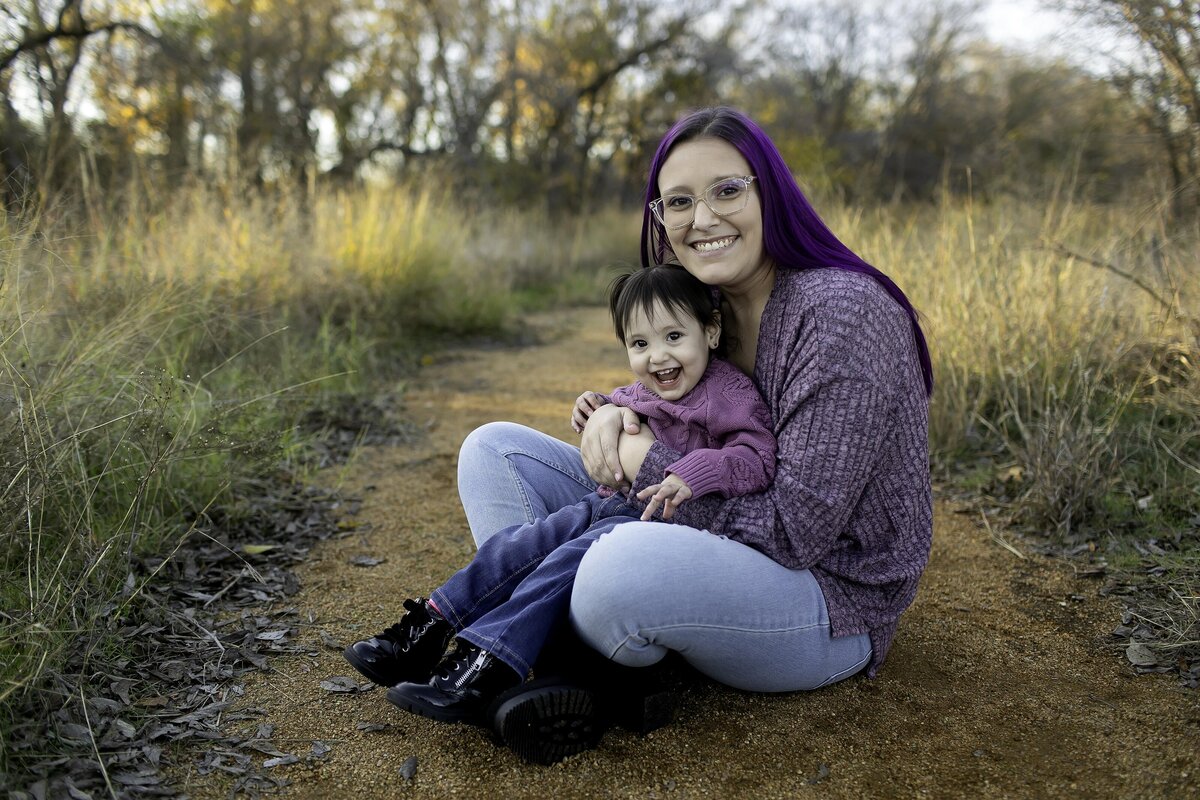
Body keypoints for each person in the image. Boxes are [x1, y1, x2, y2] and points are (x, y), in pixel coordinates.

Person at [455, 106, 933, 712]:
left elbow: (797, 532)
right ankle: (550, 653)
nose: (701, 219)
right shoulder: (711, 298)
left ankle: (566, 651)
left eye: (727, 190)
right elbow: (678, 397)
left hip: (824, 595)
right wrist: (613, 410)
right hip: (701, 528)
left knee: (616, 565)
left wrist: (639, 458)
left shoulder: (840, 312)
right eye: (677, 202)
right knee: (494, 450)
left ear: (773, 193)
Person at [344, 263, 776, 764]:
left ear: (712, 330)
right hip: (610, 501)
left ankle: (487, 664)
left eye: (674, 336)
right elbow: (624, 401)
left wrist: (697, 472)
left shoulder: (729, 394)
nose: (657, 357)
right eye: (639, 344)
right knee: (521, 545)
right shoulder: (653, 386)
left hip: (659, 524)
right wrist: (594, 405)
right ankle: (430, 628)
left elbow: (757, 457)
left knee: (561, 563)